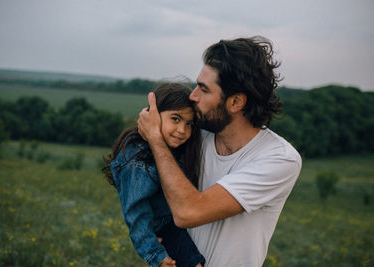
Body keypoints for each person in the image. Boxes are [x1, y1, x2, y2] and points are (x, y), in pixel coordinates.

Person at [137, 36, 302, 266]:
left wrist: (156, 139)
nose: (192, 96)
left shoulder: (278, 159)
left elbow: (188, 212)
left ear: (235, 102)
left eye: (203, 89)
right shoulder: (196, 135)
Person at [103, 83, 205, 267]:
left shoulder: (179, 149)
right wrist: (154, 254)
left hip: (176, 223)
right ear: (153, 117)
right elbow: (136, 212)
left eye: (189, 123)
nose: (182, 130)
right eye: (175, 119)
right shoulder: (137, 157)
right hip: (162, 229)